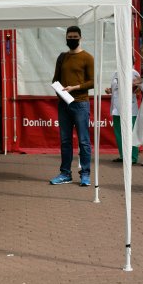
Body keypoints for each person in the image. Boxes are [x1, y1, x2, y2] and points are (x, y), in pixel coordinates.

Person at [49, 25, 94, 187]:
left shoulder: (87, 57)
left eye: (75, 37)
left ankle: (86, 174)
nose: (72, 39)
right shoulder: (62, 57)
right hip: (64, 104)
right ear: (66, 38)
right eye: (70, 37)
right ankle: (65, 173)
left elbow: (93, 82)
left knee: (84, 141)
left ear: (80, 38)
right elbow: (55, 80)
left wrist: (75, 88)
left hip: (81, 103)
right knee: (65, 140)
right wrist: (60, 93)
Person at [105, 60, 140, 164]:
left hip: (129, 107)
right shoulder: (116, 72)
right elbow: (115, 88)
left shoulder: (134, 73)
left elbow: (138, 90)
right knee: (119, 133)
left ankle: (133, 157)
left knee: (130, 132)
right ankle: (123, 156)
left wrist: (134, 87)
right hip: (116, 107)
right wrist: (109, 90)